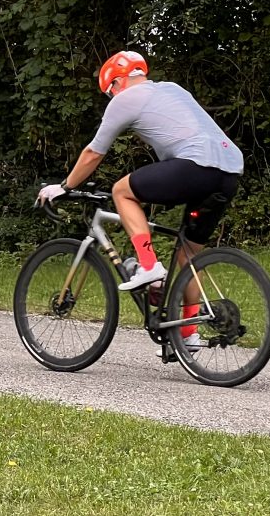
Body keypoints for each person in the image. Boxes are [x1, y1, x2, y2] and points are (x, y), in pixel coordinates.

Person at [36, 50, 244, 354]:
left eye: (110, 91)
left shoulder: (126, 98)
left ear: (117, 82)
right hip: (229, 172)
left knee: (122, 191)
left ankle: (148, 266)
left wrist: (64, 186)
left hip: (195, 165)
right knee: (188, 256)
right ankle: (187, 334)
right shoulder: (172, 89)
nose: (112, 97)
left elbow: (93, 153)